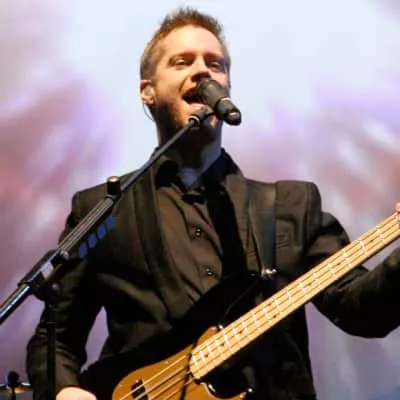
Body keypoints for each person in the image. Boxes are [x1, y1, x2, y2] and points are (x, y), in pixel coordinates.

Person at [26, 7, 400, 400]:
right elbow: (55, 337)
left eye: (215, 64)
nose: (203, 71)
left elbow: (364, 313)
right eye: (182, 61)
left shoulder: (290, 206)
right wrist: (63, 390)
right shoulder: (104, 210)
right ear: (148, 91)